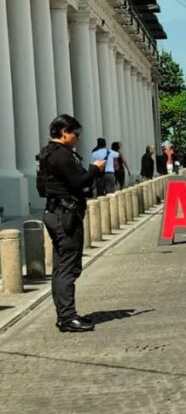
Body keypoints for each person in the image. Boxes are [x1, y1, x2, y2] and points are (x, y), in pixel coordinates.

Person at [37, 115, 108, 333]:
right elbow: (79, 181)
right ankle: (67, 317)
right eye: (75, 134)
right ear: (64, 132)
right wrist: (95, 169)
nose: (77, 139)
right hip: (65, 215)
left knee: (61, 267)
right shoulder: (62, 156)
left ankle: (65, 315)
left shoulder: (47, 153)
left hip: (55, 211)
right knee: (68, 267)